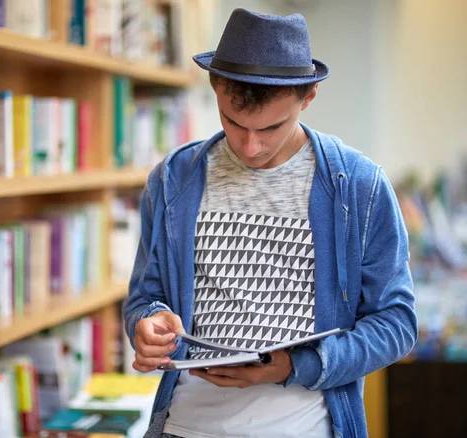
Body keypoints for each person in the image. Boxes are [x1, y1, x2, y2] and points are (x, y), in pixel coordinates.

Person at [123, 8, 417, 438]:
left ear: (309, 96)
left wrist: (297, 365)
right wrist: (147, 324)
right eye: (232, 121)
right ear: (215, 88)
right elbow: (144, 298)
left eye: (271, 127)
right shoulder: (173, 179)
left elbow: (396, 324)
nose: (250, 145)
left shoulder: (360, 187)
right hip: (184, 426)